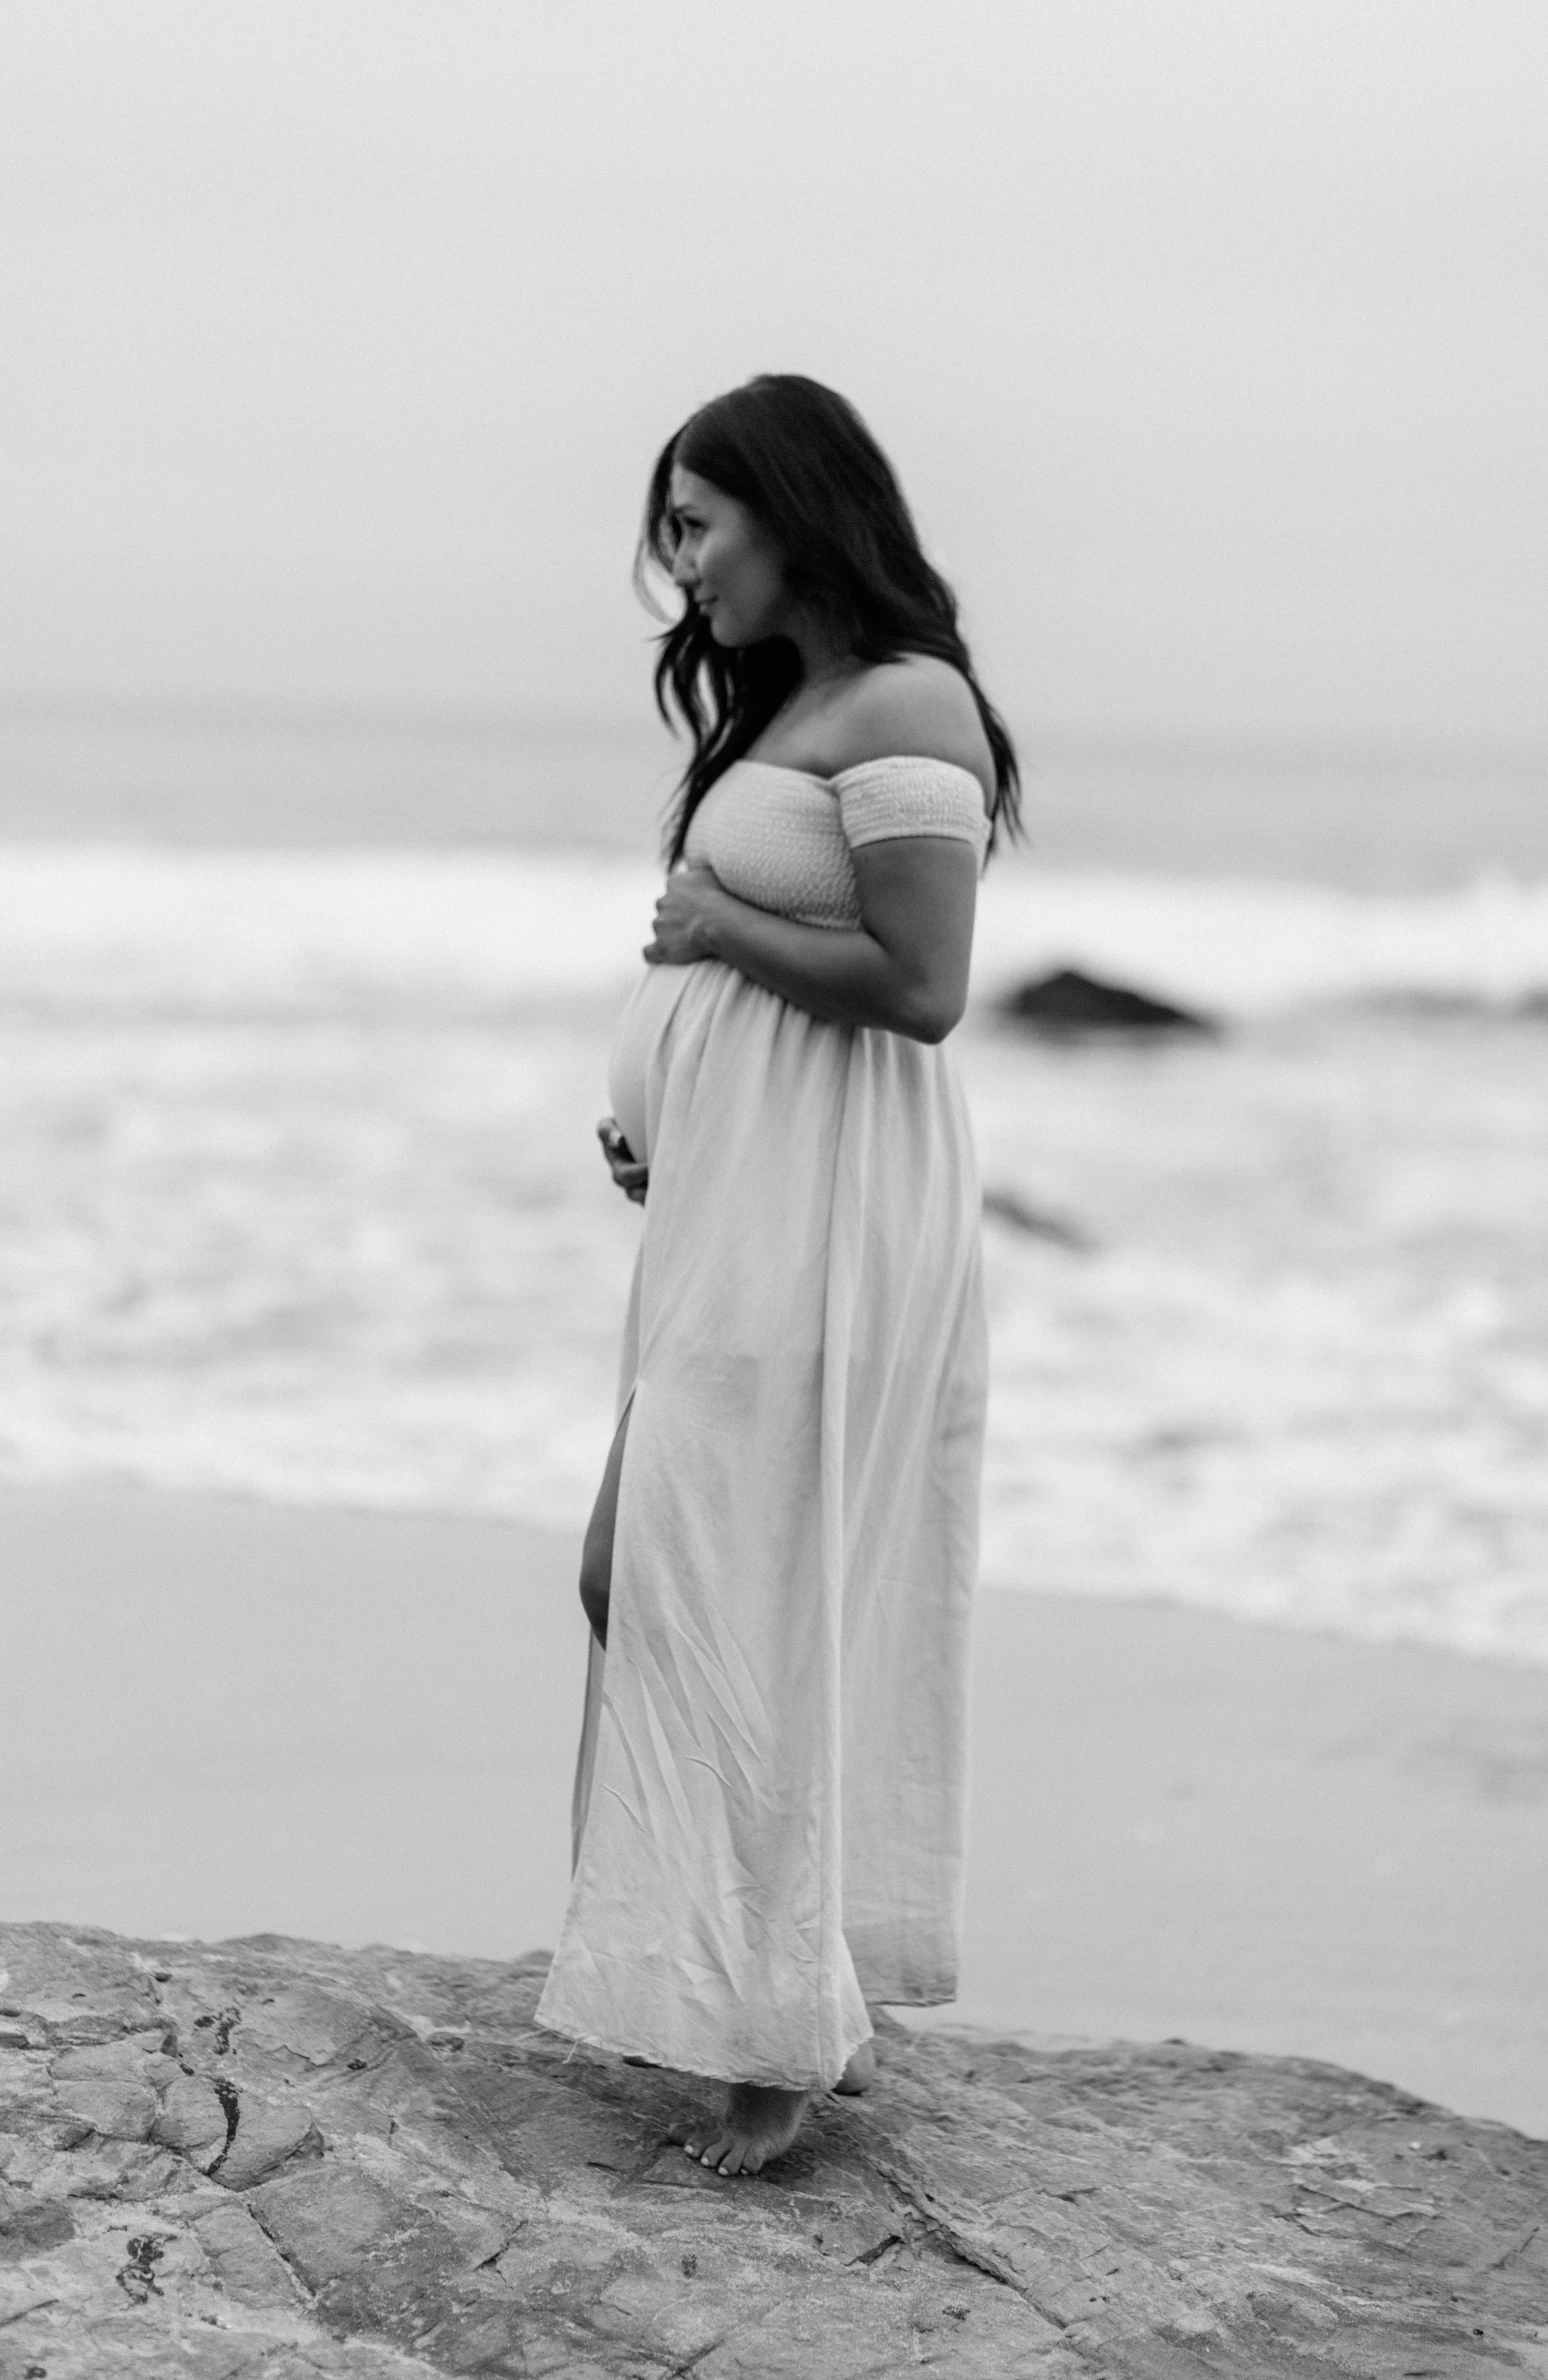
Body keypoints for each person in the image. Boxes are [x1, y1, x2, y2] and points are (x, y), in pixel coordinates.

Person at [535, 374, 1020, 2176]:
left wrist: (717, 934)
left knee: (716, 1570)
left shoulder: (909, 703)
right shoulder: (799, 704)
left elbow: (922, 983)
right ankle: (780, 1979)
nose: (678, 570)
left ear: (792, 506)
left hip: (828, 1218)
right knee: (665, 1565)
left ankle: (778, 2036)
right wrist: (668, 1108)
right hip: (734, 1205)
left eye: (695, 524)